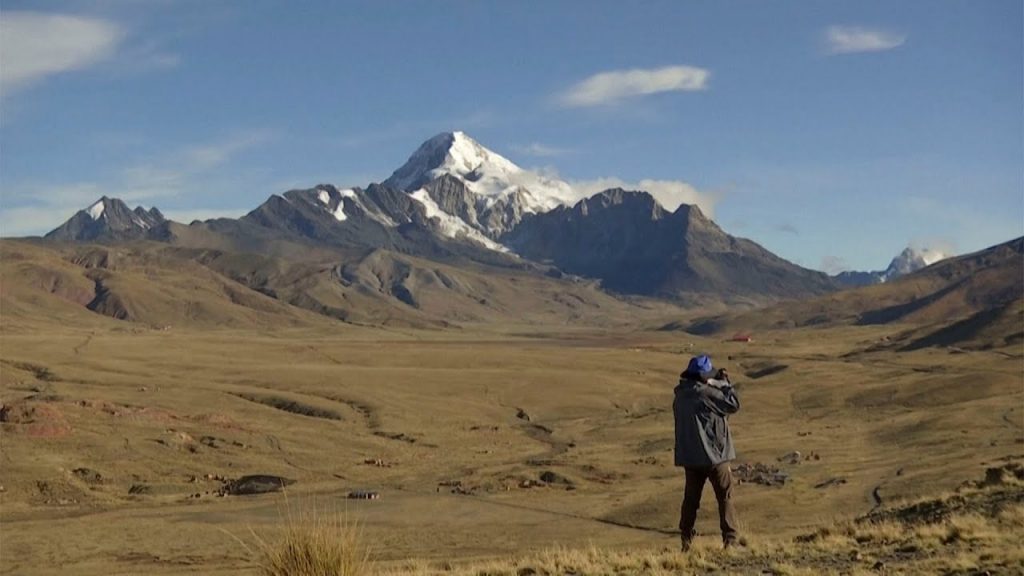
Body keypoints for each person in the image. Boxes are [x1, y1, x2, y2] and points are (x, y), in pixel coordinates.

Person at [673, 354, 741, 551]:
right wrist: (724, 383)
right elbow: (733, 404)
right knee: (725, 496)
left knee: (691, 500)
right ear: (703, 376)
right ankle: (731, 541)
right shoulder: (705, 394)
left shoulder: (680, 395)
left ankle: (686, 541)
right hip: (715, 456)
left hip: (690, 457)